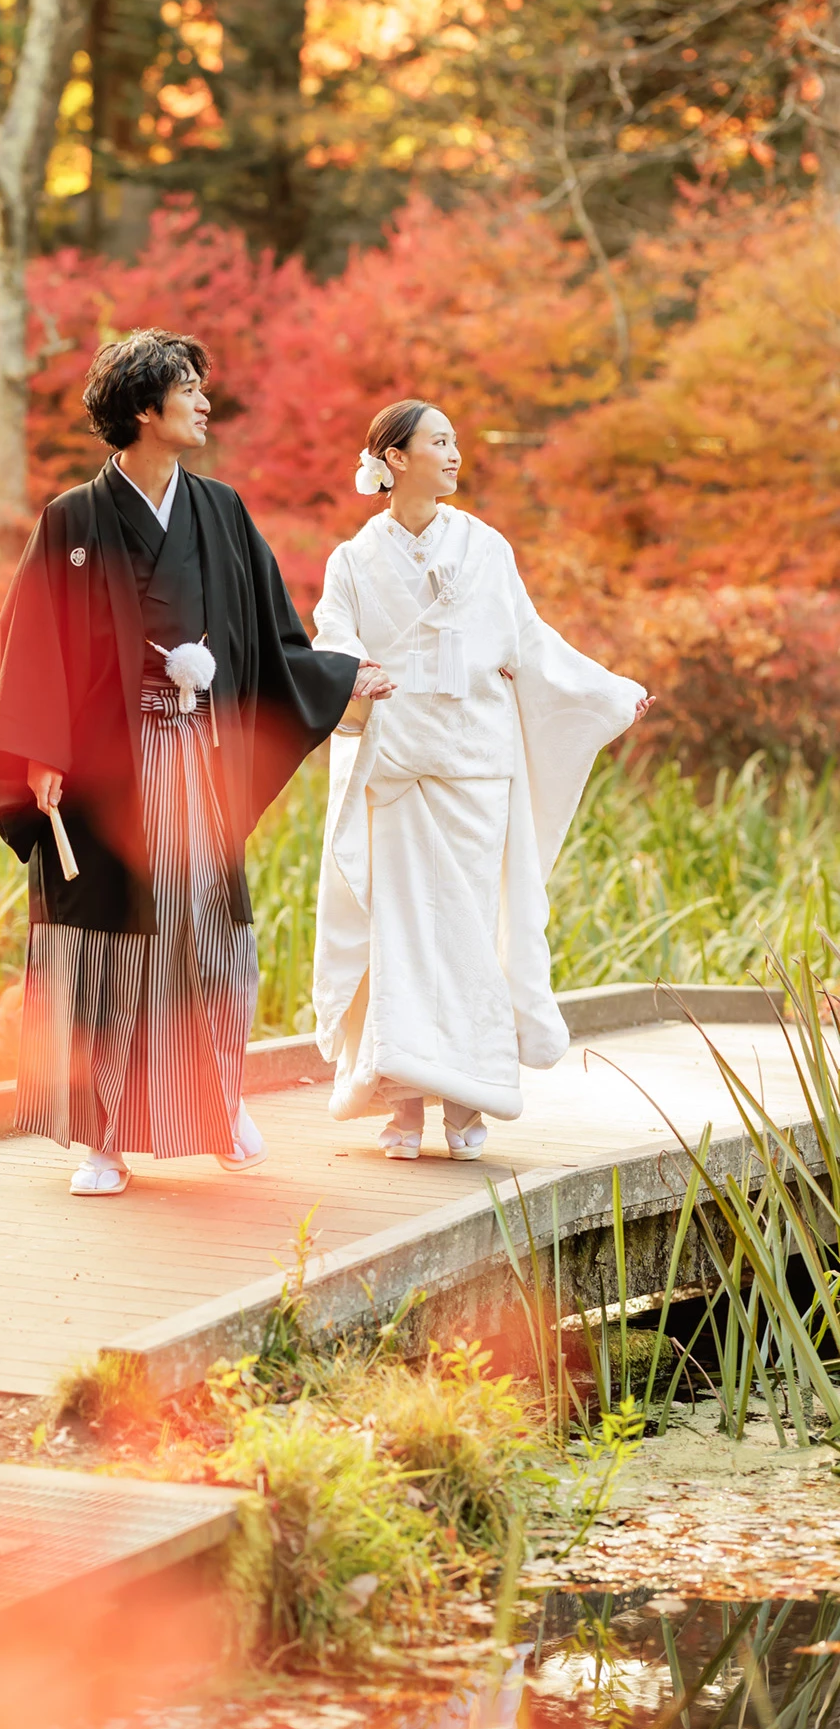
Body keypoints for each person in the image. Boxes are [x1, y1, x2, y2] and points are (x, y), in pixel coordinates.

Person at [0, 328, 393, 1197]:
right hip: (101, 769)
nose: (206, 403)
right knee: (107, 946)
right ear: (145, 407)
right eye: (189, 389)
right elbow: (30, 644)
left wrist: (341, 675)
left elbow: (275, 637)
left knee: (205, 935)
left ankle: (217, 1104)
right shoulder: (72, 520)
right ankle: (103, 1139)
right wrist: (40, 753)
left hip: (195, 756)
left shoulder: (221, 511)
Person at [310, 398, 655, 1162]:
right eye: (438, 442)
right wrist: (359, 672)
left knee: (467, 935)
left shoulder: (487, 548)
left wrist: (605, 692)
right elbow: (332, 637)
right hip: (398, 766)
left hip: (473, 765)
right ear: (395, 458)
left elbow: (530, 642)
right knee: (400, 938)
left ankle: (468, 1097)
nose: (454, 454)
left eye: (454, 441)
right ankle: (402, 1103)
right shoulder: (353, 561)